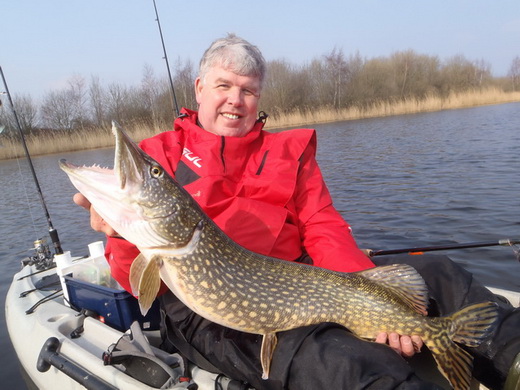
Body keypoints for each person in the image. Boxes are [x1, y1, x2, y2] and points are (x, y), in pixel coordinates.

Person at [74, 34, 519, 389]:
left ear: (259, 96)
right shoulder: (162, 155)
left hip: (298, 278)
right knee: (335, 358)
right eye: (224, 86)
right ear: (200, 89)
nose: (235, 99)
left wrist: (369, 296)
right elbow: (137, 286)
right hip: (213, 314)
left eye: (248, 91)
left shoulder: (287, 151)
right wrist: (117, 231)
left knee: (440, 273)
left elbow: (322, 225)